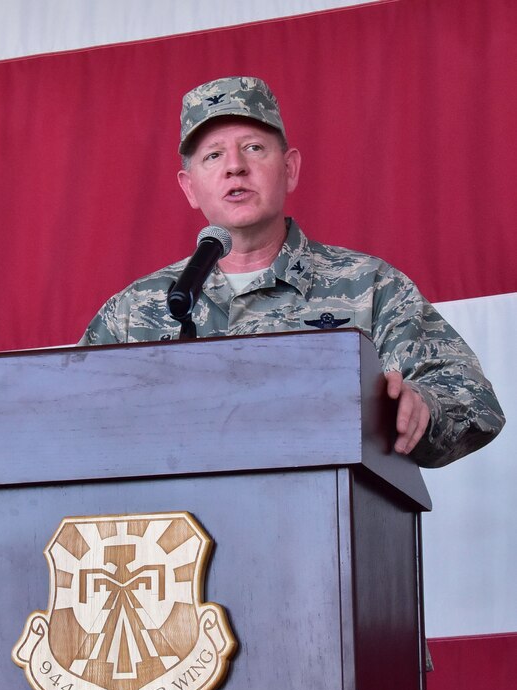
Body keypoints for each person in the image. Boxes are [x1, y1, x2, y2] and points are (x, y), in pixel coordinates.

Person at [78, 76, 505, 468]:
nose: (235, 167)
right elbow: (66, 417)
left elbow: (476, 401)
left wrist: (424, 407)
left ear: (290, 168)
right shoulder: (134, 311)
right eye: (213, 155)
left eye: (253, 148)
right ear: (189, 187)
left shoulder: (368, 286)